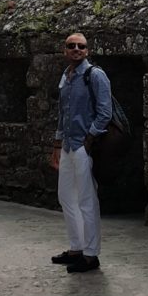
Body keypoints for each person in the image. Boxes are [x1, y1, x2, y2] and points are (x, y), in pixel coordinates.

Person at [50, 32, 112, 273]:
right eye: (71, 46)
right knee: (66, 196)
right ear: (65, 51)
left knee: (87, 200)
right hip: (67, 145)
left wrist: (89, 139)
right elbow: (62, 114)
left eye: (81, 46)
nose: (76, 49)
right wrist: (56, 145)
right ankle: (76, 247)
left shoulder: (95, 75)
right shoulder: (67, 76)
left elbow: (104, 112)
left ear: (87, 51)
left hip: (83, 146)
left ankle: (91, 254)